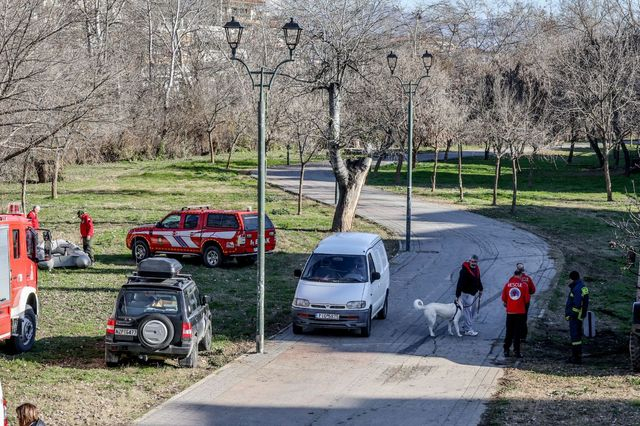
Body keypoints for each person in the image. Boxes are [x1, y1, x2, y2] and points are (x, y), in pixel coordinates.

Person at [502, 268, 531, 358]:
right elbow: (527, 300)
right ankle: (516, 352)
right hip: (520, 312)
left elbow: (503, 298)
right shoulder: (524, 285)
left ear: (514, 275)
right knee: (517, 333)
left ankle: (506, 350)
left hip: (510, 312)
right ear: (520, 276)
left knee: (509, 332)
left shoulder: (507, 285)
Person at [455, 254, 484, 336]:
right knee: (467, 312)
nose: (473, 263)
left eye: (475, 262)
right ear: (469, 261)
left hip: (473, 293)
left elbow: (478, 279)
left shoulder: (476, 269)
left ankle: (465, 326)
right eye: (472, 261)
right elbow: (459, 283)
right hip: (466, 294)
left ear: (477, 262)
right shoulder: (464, 271)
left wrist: (481, 289)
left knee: (473, 311)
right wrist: (457, 295)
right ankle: (468, 330)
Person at [565, 270, 589, 364]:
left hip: (575, 317)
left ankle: (576, 357)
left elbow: (577, 304)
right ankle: (576, 356)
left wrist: (571, 315)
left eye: (569, 279)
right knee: (577, 337)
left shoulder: (577, 288)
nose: (568, 281)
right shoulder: (581, 287)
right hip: (579, 316)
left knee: (575, 337)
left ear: (572, 279)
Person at [516, 262, 536, 341]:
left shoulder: (513, 279)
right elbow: (533, 290)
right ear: (523, 270)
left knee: (516, 318)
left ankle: (516, 335)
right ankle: (523, 336)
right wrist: (528, 293)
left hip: (516, 302)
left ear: (517, 270)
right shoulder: (528, 278)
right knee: (523, 319)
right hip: (525, 302)